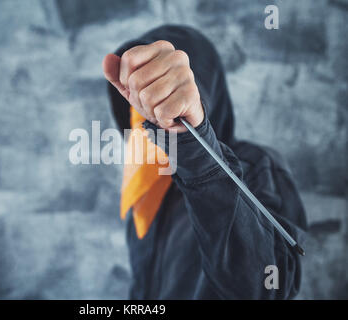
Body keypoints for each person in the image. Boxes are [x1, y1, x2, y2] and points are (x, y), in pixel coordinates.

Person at [102, 25, 307, 299]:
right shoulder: (145, 193)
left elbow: (266, 288)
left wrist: (189, 141)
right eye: (138, 103)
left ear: (203, 90)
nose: (146, 114)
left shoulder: (258, 166)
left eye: (161, 94)